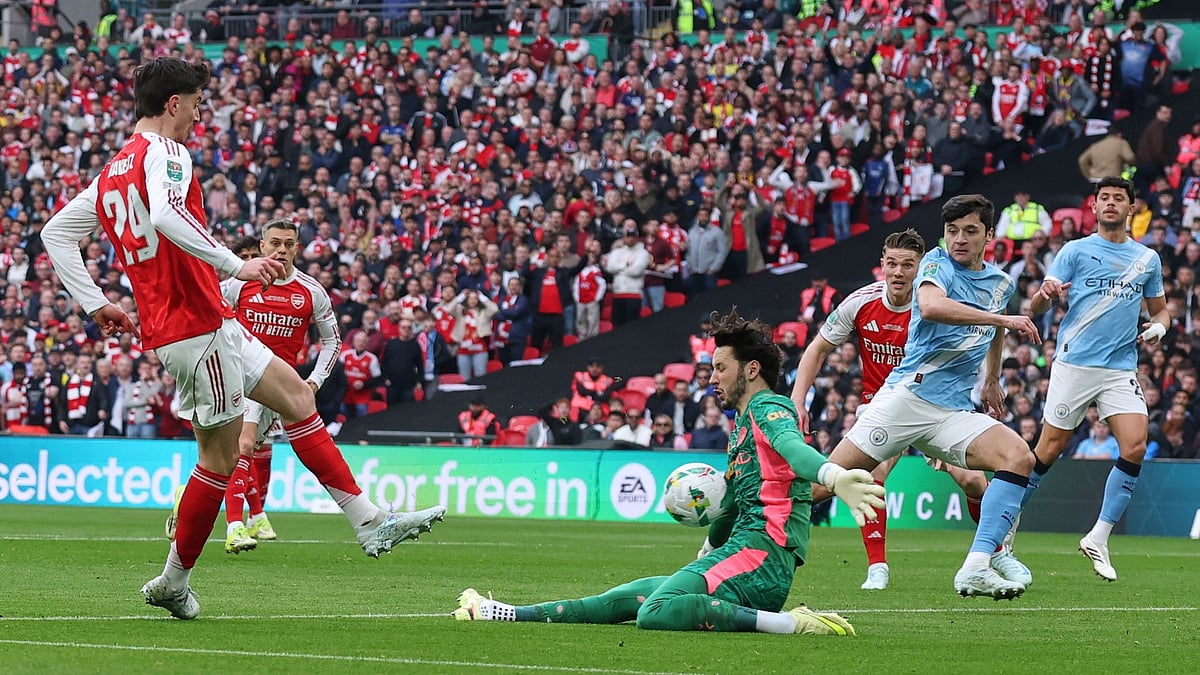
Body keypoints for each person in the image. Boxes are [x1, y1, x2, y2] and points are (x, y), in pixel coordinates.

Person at [40, 58, 446, 620]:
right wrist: (239, 264)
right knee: (220, 457)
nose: (200, 114)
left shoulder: (112, 171)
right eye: (197, 103)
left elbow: (55, 233)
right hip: (192, 328)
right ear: (174, 103)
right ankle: (173, 581)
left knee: (297, 396)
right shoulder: (167, 152)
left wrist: (96, 303)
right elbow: (167, 215)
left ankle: (369, 521)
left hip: (210, 321)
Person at [453, 308, 884, 634]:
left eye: (721, 368)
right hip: (743, 551)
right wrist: (709, 547)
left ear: (751, 369)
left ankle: (792, 623)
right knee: (628, 595)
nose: (712, 378)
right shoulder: (743, 421)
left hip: (762, 558)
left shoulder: (769, 406)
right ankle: (502, 612)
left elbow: (794, 450)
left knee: (656, 611)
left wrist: (833, 476)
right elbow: (735, 503)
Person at [811, 195, 1043, 600]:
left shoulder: (1001, 283)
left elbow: (995, 328)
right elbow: (933, 307)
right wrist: (1001, 318)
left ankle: (978, 565)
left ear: (990, 234)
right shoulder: (935, 265)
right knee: (821, 486)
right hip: (906, 400)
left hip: (951, 410)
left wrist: (991, 378)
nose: (959, 239)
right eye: (952, 231)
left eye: (970, 231)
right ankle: (734, 528)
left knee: (1018, 456)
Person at [1024, 176, 1168, 582]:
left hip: (1120, 368)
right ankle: (1005, 525)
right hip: (1074, 364)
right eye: (1104, 198)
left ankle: (1099, 537)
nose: (1110, 203)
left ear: (1131, 208)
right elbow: (1036, 305)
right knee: (1048, 450)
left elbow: (1161, 310)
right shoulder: (1074, 250)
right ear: (1093, 206)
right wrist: (1045, 295)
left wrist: (1159, 328)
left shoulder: (1147, 259)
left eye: (1118, 198)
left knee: (1135, 446)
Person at [215, 218, 342, 553]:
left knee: (240, 455)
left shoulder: (312, 291)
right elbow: (211, 313)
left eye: (288, 244)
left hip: (277, 386)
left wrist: (314, 381)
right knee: (242, 447)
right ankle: (236, 525)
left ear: (297, 249)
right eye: (274, 243)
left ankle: (195, 502)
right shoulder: (238, 284)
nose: (281, 250)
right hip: (239, 378)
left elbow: (333, 341)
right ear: (262, 246)